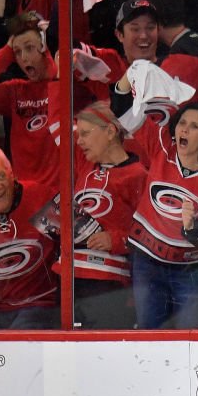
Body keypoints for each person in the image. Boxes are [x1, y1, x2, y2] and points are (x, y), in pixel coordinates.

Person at [127, 101, 198, 328]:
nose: (184, 129)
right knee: (149, 338)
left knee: (189, 342)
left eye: (194, 126)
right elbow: (126, 114)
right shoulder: (162, 149)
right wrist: (130, 76)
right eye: (182, 123)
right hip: (148, 263)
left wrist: (196, 231)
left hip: (192, 272)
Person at [70, 102, 148, 329]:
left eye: (85, 134)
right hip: (70, 275)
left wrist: (116, 240)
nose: (79, 141)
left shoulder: (137, 175)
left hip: (107, 282)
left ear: (111, 131)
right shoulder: (87, 166)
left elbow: (149, 234)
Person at [0, 144, 59, 329]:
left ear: (12, 174)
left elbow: (82, 241)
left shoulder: (40, 197)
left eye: (1, 176)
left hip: (40, 305)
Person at [0, 10, 58, 187]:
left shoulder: (66, 86)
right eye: (17, 52)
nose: (23, 58)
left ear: (44, 47)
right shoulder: (16, 90)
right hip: (24, 193)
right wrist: (7, 51)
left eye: (29, 48)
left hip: (62, 194)